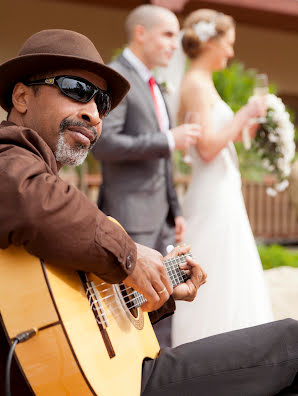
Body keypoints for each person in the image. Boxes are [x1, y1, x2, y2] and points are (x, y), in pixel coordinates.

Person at [0, 28, 297, 396]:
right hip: (116, 384)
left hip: (106, 377)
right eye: (76, 90)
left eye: (102, 102)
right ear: (22, 96)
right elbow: (29, 198)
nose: (93, 113)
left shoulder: (42, 183)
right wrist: (130, 255)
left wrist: (157, 288)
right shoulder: (9, 159)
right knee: (291, 342)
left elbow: (86, 313)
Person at [91, 5, 200, 347]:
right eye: (168, 34)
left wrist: (175, 209)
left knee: (165, 299)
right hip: (130, 216)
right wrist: (168, 139)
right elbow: (104, 143)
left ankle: (161, 373)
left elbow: (164, 159)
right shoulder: (116, 77)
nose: (174, 44)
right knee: (132, 304)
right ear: (141, 33)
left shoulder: (155, 85)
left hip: (161, 218)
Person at [167, 9, 274, 346]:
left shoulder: (203, 81)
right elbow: (208, 148)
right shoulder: (196, 83)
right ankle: (214, 348)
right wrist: (243, 113)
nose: (230, 52)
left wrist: (245, 126)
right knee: (218, 269)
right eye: (228, 44)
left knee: (232, 271)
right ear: (210, 42)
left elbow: (214, 139)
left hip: (222, 189)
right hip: (213, 193)